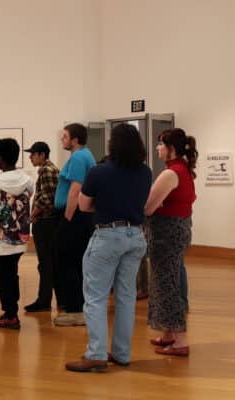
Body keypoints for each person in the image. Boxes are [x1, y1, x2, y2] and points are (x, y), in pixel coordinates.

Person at [65, 124, 151, 372]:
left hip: (107, 235)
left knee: (95, 296)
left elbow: (84, 205)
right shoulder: (145, 172)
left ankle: (96, 354)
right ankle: (122, 353)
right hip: (136, 235)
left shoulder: (98, 172)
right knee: (126, 297)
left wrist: (104, 208)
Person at [144, 128, 197, 357]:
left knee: (167, 285)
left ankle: (180, 340)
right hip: (174, 231)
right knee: (163, 283)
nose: (157, 148)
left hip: (167, 233)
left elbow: (148, 206)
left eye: (161, 144)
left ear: (172, 148)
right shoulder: (181, 170)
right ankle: (168, 334)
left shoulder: (170, 173)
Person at [0, 138, 33, 329]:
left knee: (2, 277)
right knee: (12, 274)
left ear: (1, 160)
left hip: (0, 240)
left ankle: (10, 314)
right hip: (20, 237)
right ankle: (12, 311)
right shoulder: (28, 181)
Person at [53, 123, 96, 326]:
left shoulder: (79, 157)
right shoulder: (84, 155)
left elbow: (75, 189)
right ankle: (77, 307)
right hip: (80, 216)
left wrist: (67, 217)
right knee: (76, 262)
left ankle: (75, 310)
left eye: (65, 136)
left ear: (75, 140)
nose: (63, 139)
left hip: (75, 216)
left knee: (68, 261)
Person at [23, 141, 60, 312]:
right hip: (50, 223)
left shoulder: (46, 170)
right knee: (51, 263)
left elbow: (46, 199)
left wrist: (32, 216)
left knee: (45, 264)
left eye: (33, 154)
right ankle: (59, 300)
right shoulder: (51, 169)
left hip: (45, 223)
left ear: (42, 155)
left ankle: (44, 300)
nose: (30, 157)